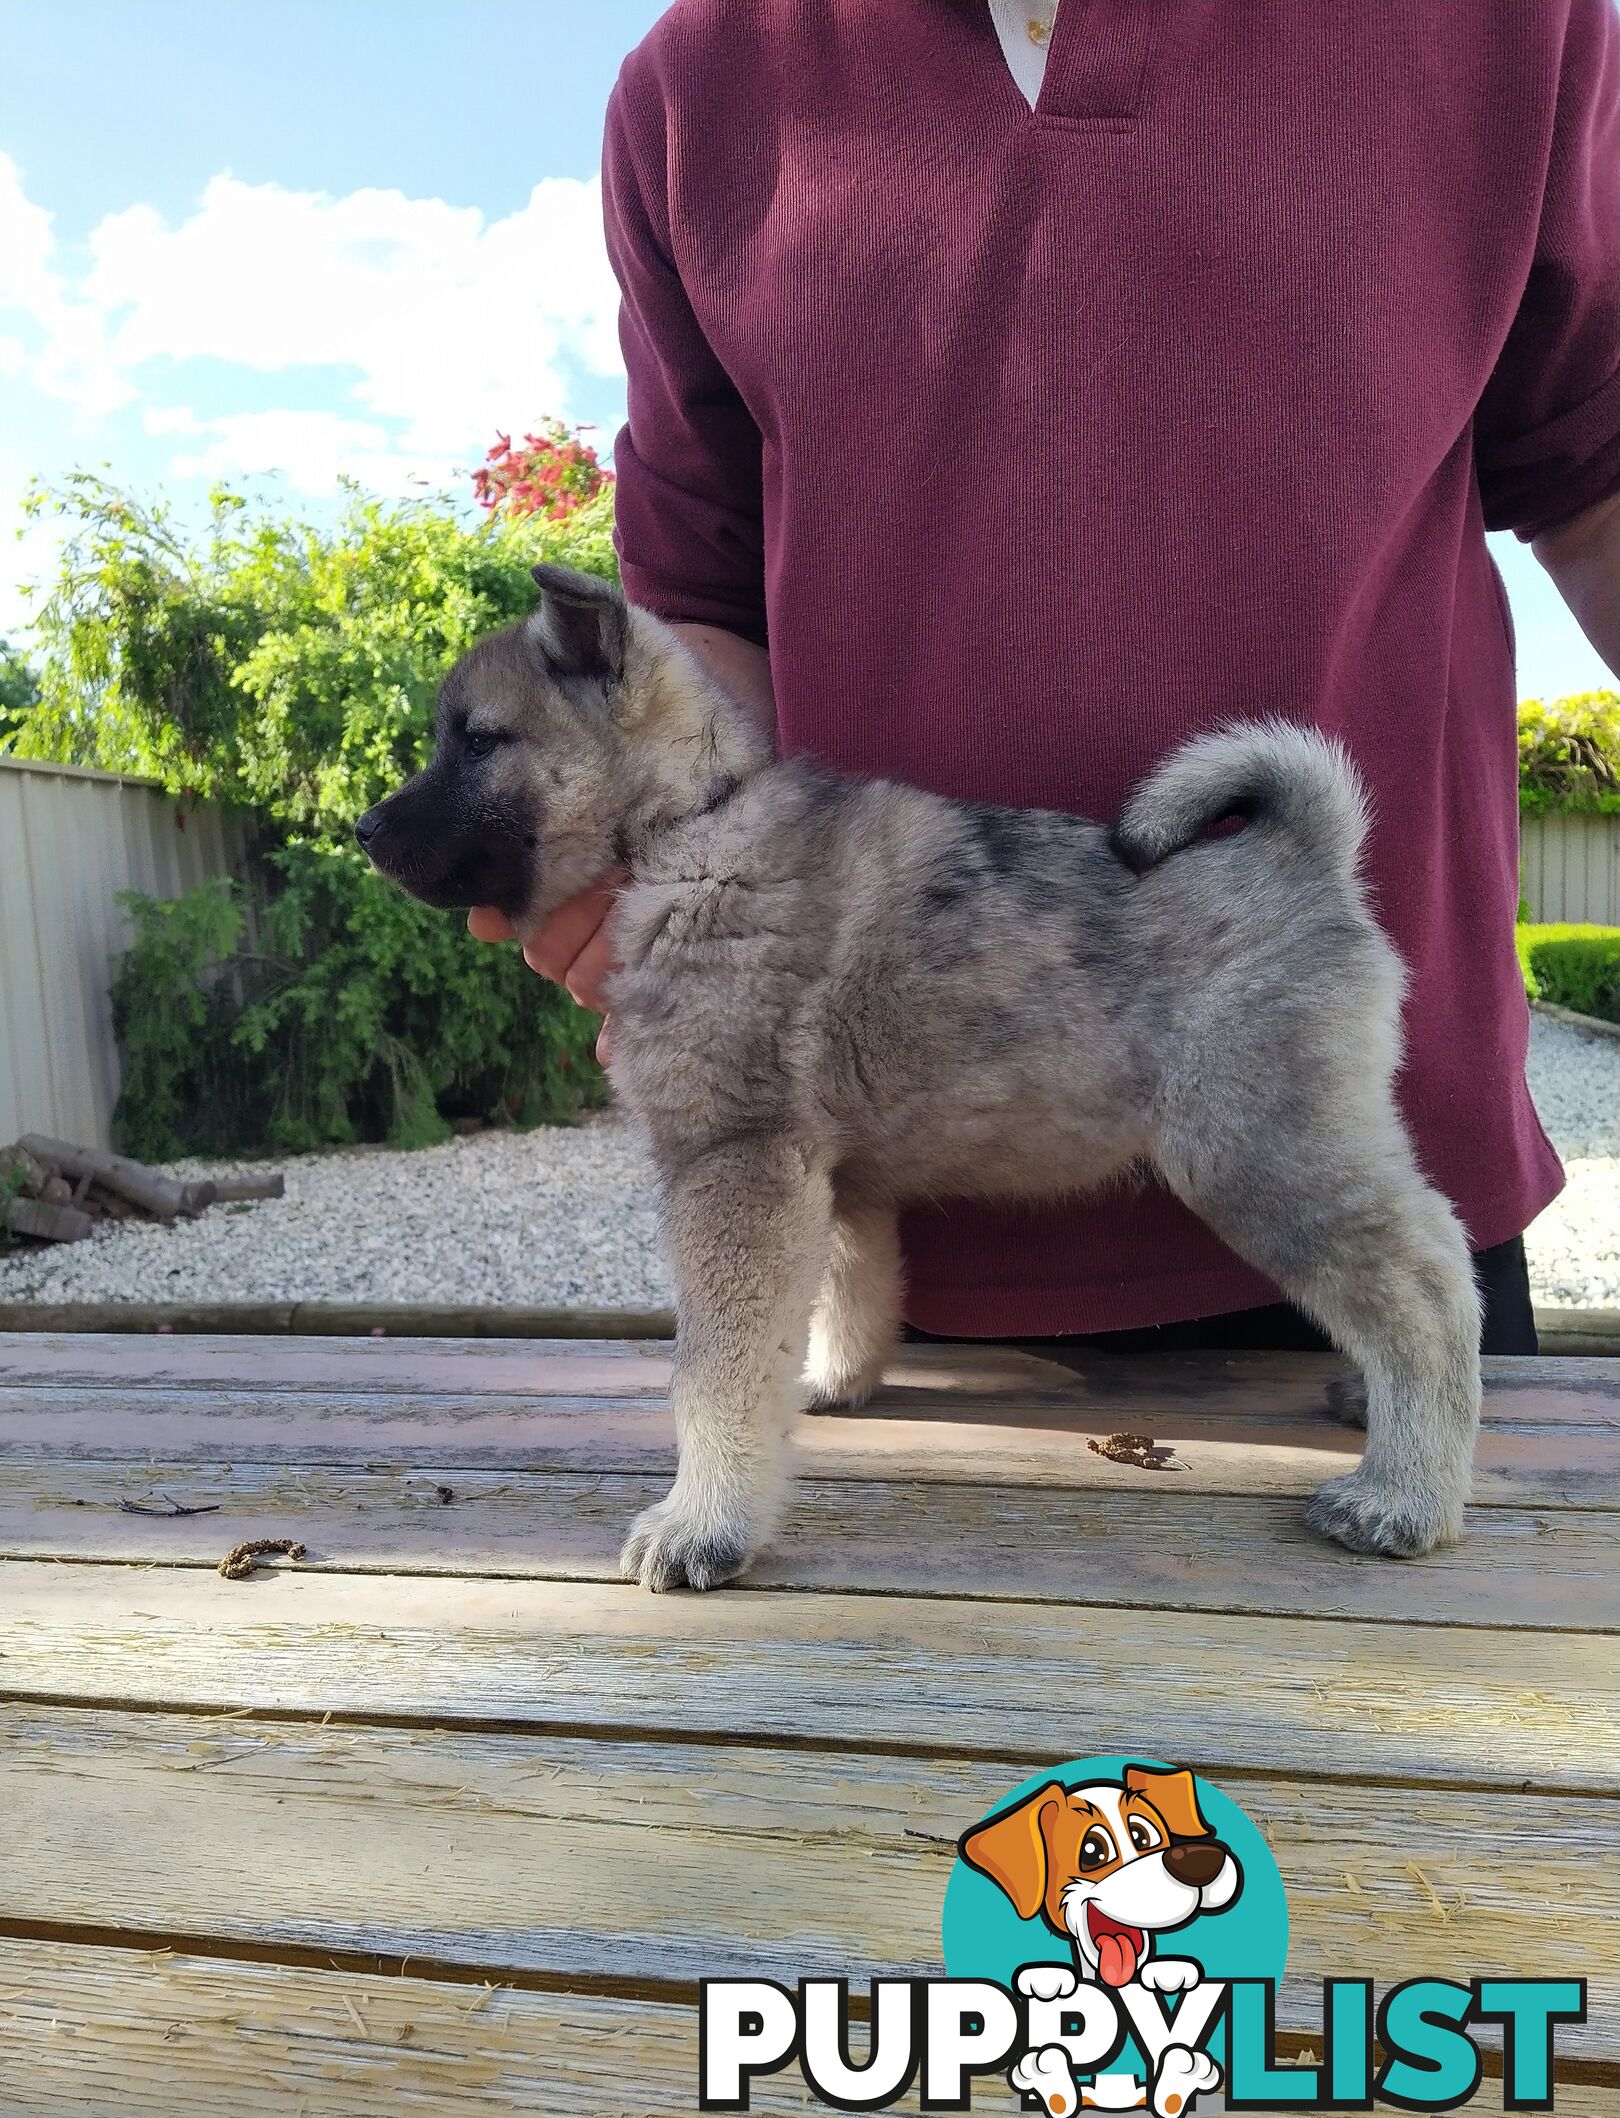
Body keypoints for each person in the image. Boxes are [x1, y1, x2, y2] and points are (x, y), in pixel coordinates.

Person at [472, 0, 1620, 1360]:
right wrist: (659, 889)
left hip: (1365, 1149)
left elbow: (1599, 480)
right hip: (906, 1228)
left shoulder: (1507, 24)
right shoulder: (697, 87)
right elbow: (703, 605)